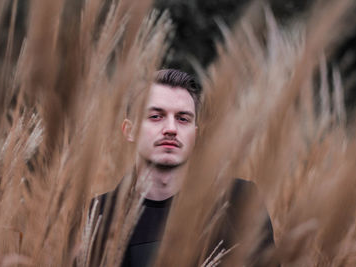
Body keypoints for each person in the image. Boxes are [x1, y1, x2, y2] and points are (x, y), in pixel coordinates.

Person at [87, 69, 275, 267]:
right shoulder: (96, 216)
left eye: (182, 119)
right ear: (129, 130)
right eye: (156, 116)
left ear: (195, 134)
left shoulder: (239, 200)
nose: (171, 129)